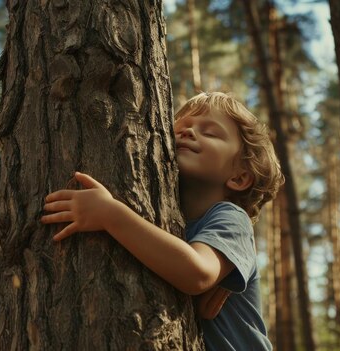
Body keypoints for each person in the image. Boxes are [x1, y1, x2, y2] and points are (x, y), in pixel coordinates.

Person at [41, 92, 283, 350]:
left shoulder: (231, 217)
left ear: (239, 177)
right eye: (180, 128)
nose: (188, 132)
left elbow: (197, 273)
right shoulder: (168, 219)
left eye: (210, 133)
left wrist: (110, 214)